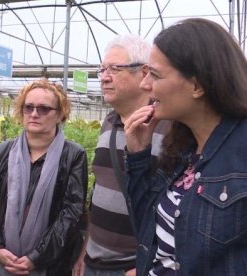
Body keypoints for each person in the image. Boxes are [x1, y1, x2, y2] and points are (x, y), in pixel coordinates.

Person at [123, 18, 247, 275]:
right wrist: (137, 155)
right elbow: (146, 226)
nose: (144, 84)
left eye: (155, 74)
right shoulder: (182, 148)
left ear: (197, 86)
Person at [73, 35, 169, 276]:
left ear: (144, 72)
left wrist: (153, 264)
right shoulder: (108, 123)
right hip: (94, 261)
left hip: (134, 266)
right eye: (102, 69)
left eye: (114, 69)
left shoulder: (169, 127)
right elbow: (100, 193)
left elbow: (175, 205)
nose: (104, 77)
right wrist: (86, 250)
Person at [0, 79, 88, 275]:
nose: (34, 114)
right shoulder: (4, 152)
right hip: (1, 260)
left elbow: (70, 212)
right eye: (29, 107)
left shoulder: (73, 155)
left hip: (48, 265)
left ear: (60, 114)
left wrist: (37, 257)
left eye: (44, 109)